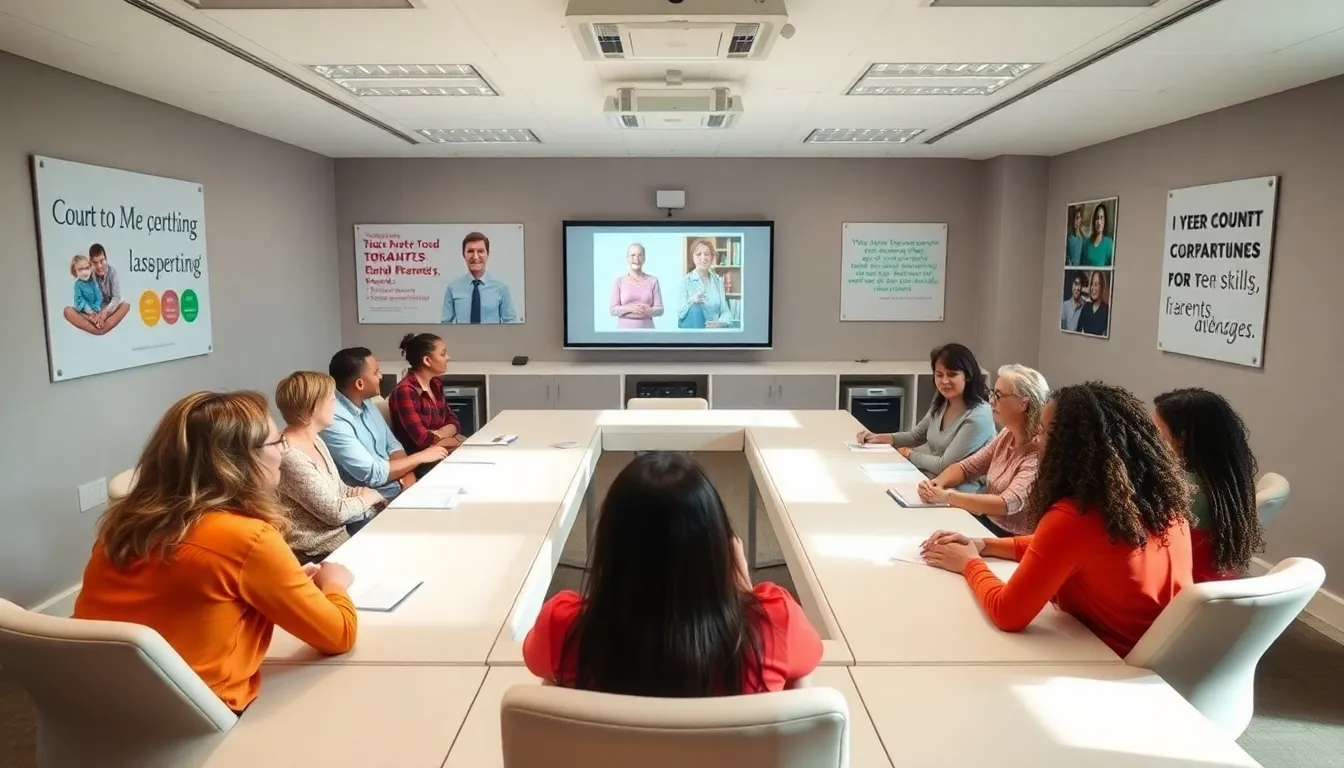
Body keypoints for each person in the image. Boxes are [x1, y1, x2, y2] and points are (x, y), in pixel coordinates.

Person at [72, 391, 359, 713]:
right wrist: (334, 583)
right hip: (195, 713)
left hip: (95, 700)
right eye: (277, 442)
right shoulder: (249, 538)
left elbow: (183, 595)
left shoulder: (120, 525)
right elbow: (339, 636)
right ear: (238, 462)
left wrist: (275, 584)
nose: (283, 452)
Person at [921, 382, 1193, 658]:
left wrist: (969, 563)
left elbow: (1007, 613)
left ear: (1073, 444)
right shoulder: (1162, 504)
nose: (1038, 440)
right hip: (1151, 666)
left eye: (1044, 430)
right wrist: (985, 544)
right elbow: (1056, 549)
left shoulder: (1075, 516)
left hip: (1102, 663)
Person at [523, 451, 822, 696]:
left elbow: (536, 661)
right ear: (719, 546)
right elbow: (810, 656)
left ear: (608, 548)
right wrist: (743, 590)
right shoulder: (776, 621)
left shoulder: (562, 626)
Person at [917, 364, 1048, 536]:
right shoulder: (1007, 434)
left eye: (999, 395)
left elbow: (1006, 504)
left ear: (1023, 403)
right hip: (989, 524)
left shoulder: (1037, 452)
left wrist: (946, 497)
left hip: (1013, 538)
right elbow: (966, 468)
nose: (992, 400)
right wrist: (936, 484)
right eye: (993, 393)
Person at [1153, 388, 1265, 582]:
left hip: (1184, 591)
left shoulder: (1184, 491)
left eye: (1156, 431)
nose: (1150, 439)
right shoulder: (1226, 482)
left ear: (1182, 438)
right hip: (1219, 584)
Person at [275, 371, 386, 564]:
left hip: (341, 541)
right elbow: (336, 513)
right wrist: (370, 497)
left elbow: (340, 491)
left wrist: (365, 502)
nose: (336, 404)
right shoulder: (291, 456)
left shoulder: (315, 439)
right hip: (318, 556)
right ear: (314, 407)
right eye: (331, 399)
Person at [856, 343, 995, 488]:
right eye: (939, 375)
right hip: (930, 479)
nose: (944, 381)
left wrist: (909, 455)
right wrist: (880, 438)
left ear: (968, 375)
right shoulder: (942, 399)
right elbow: (916, 436)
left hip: (961, 490)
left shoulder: (979, 416)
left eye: (952, 374)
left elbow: (945, 465)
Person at [321, 347, 447, 500]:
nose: (380, 376)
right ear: (359, 384)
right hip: (374, 504)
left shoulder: (366, 401)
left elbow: (392, 445)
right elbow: (373, 474)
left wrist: (408, 474)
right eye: (375, 372)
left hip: (397, 491)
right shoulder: (333, 420)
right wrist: (420, 457)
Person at [388, 333, 464, 479]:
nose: (448, 357)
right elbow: (422, 440)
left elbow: (454, 421)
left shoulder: (435, 384)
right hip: (422, 463)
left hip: (443, 451)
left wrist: (438, 435)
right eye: (443, 354)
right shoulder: (405, 391)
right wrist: (450, 438)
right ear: (427, 360)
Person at [441, 231, 518, 324]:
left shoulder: (501, 288)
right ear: (463, 255)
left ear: (487, 254)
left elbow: (510, 323)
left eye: (480, 251)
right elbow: (446, 323)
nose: (475, 256)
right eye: (470, 251)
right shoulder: (452, 288)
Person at [677, 238, 733, 329]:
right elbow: (680, 313)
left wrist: (721, 322)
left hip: (716, 332)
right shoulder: (686, 281)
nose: (703, 258)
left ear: (712, 257)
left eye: (706, 254)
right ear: (693, 257)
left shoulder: (718, 281)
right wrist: (692, 300)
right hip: (694, 333)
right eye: (698, 254)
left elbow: (725, 311)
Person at [609, 242, 664, 329]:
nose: (636, 259)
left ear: (644, 258)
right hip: (623, 332)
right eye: (632, 255)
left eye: (640, 255)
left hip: (648, 332)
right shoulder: (619, 281)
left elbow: (660, 310)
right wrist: (630, 308)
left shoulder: (653, 281)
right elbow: (612, 310)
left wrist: (647, 311)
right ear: (627, 258)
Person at [62, 253, 104, 333]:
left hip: (96, 309)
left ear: (91, 268)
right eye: (80, 269)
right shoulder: (78, 285)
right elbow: (79, 300)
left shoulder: (93, 282)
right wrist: (88, 310)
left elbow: (99, 296)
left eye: (87, 268)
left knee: (101, 314)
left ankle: (97, 321)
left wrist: (96, 308)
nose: (84, 272)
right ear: (75, 271)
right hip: (85, 310)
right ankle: (94, 321)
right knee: (81, 315)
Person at [1078, 270, 1111, 336]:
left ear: (1102, 287)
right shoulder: (1086, 307)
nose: (1093, 288)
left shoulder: (1106, 310)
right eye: (1092, 284)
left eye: (1096, 285)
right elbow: (1078, 331)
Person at [1081, 203, 1115, 267]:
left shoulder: (1108, 243)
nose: (1099, 222)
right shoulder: (1086, 243)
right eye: (1097, 218)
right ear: (1094, 221)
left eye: (1101, 218)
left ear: (1105, 221)